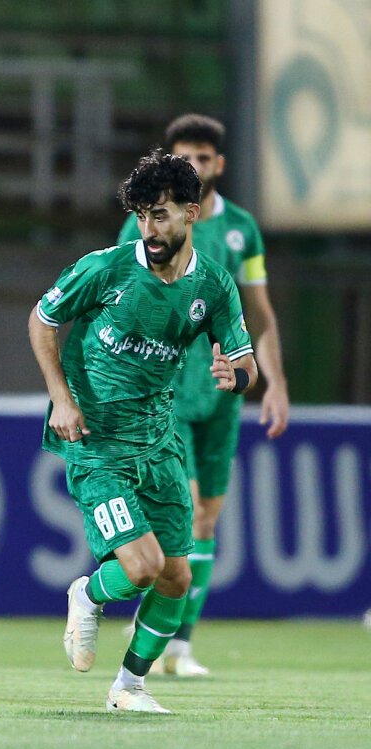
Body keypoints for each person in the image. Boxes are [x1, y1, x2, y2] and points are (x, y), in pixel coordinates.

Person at [30, 150, 257, 713]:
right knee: (142, 567)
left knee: (176, 578)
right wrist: (62, 398)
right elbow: (42, 320)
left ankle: (129, 687)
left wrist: (235, 375)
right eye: (141, 216)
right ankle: (87, 592)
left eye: (160, 215)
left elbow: (245, 361)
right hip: (97, 443)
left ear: (190, 214)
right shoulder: (105, 269)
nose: (149, 229)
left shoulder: (214, 285)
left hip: (159, 444)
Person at [116, 114, 290, 676]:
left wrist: (275, 381)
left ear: (219, 164)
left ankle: (179, 645)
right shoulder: (148, 225)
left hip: (221, 395)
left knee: (209, 520)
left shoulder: (242, 230)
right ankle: (159, 631)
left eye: (203, 157)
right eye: (184, 155)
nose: (195, 164)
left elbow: (259, 312)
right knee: (187, 512)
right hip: (165, 394)